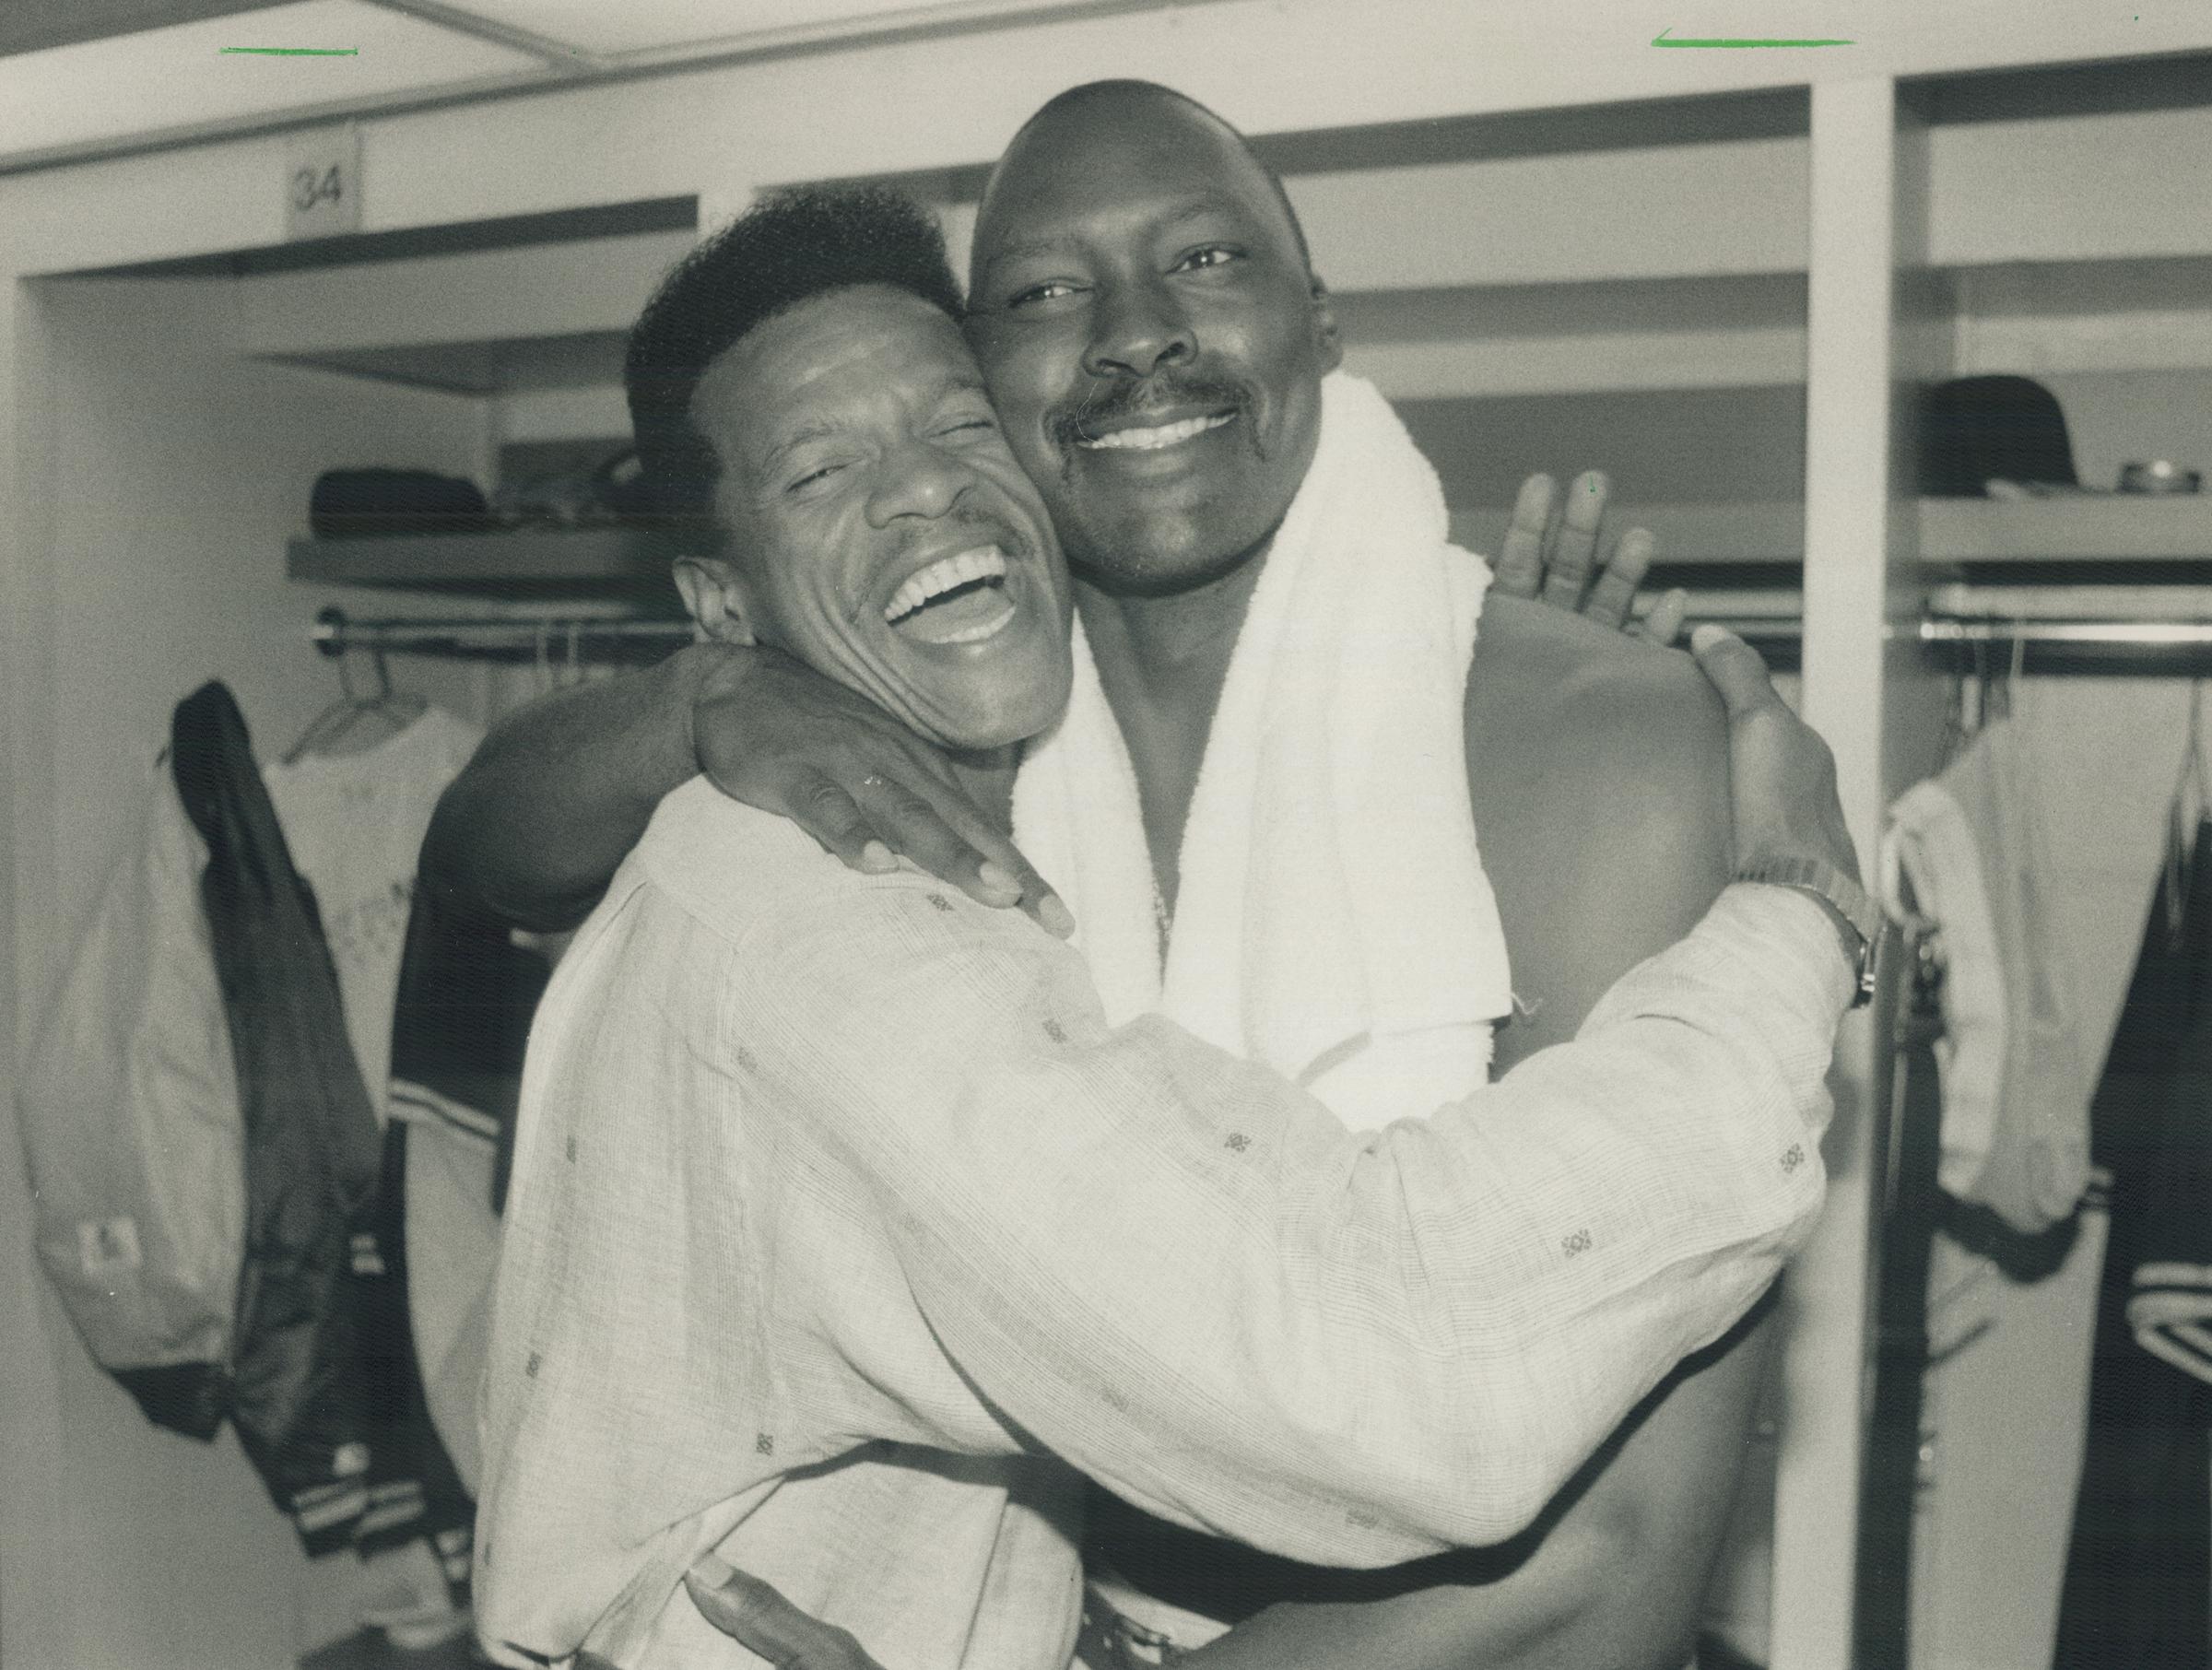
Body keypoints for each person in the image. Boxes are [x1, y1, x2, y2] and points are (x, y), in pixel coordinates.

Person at [471, 185, 1865, 1670]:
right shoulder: (840, 934)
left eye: (955, 430)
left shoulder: (839, 819)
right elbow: (1405, 1382)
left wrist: (1450, 692)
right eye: (821, 472)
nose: (924, 498)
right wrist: (1799, 917)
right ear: (719, 603)